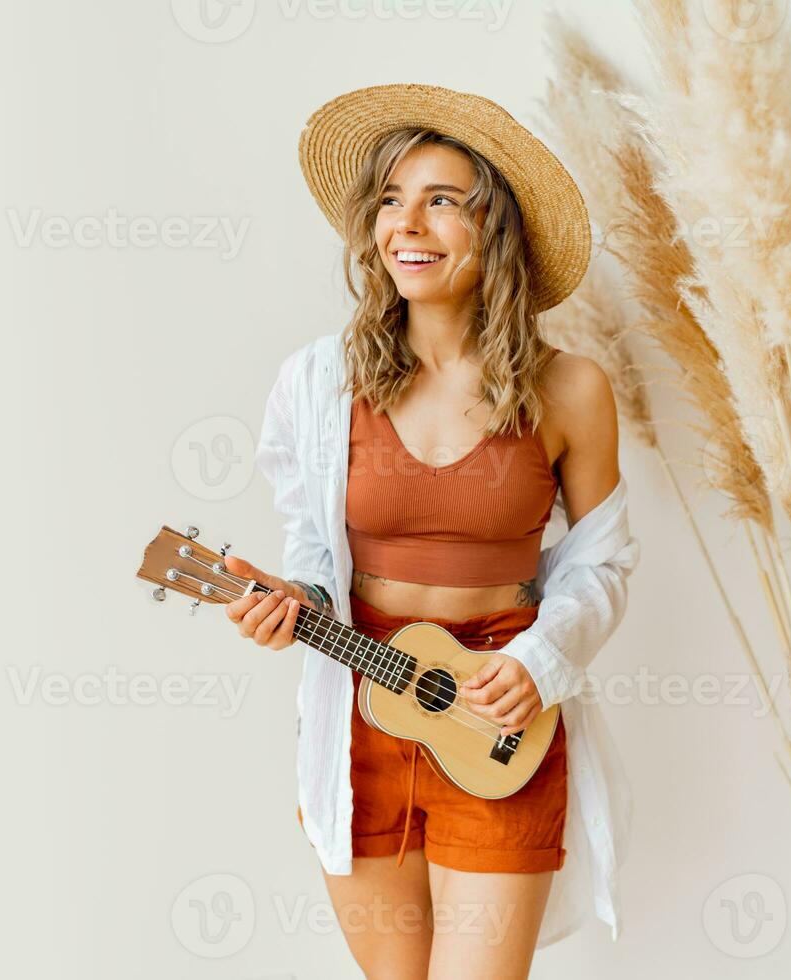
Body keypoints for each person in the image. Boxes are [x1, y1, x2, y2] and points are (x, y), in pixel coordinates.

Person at [220, 84, 639, 979]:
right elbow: (310, 541)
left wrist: (537, 660)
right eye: (389, 200)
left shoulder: (571, 389)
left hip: (498, 709)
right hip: (358, 701)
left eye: (442, 199)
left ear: (498, 228)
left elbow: (601, 563)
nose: (406, 223)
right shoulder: (319, 381)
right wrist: (300, 599)